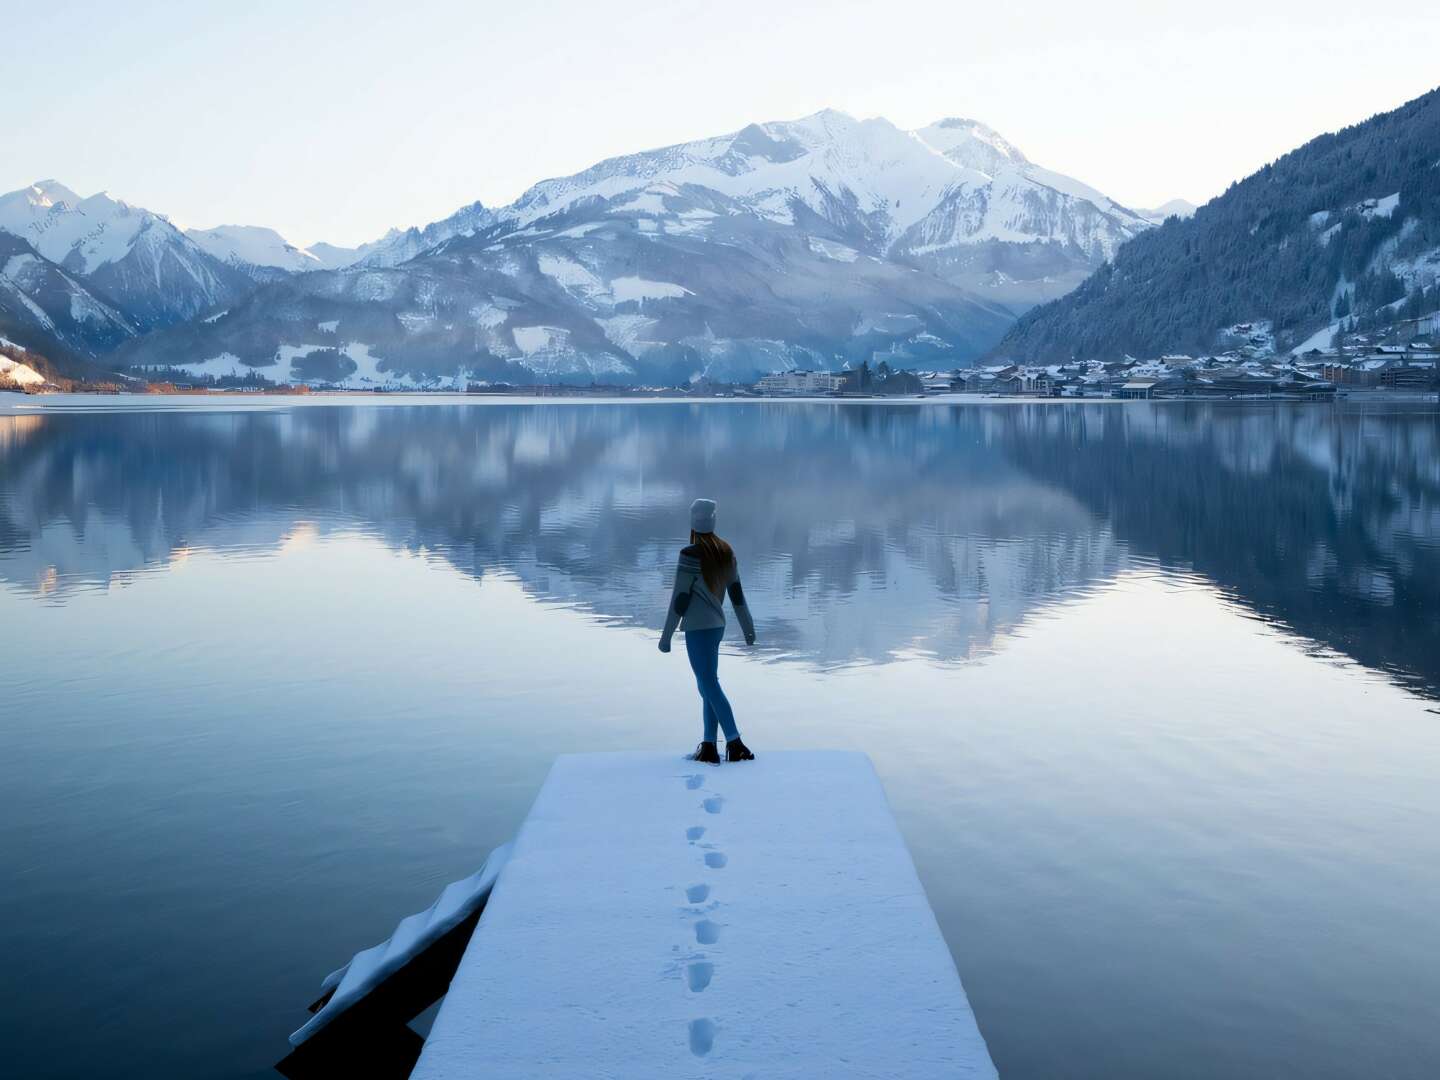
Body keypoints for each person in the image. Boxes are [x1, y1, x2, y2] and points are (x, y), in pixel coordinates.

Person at [659, 498, 757, 764]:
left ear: (693, 523)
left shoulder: (689, 555)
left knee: (708, 685)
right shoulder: (726, 551)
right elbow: (737, 594)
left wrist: (666, 636)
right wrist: (748, 627)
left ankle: (734, 742)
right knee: (708, 685)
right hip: (717, 627)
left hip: (697, 629)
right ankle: (709, 745)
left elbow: (679, 600)